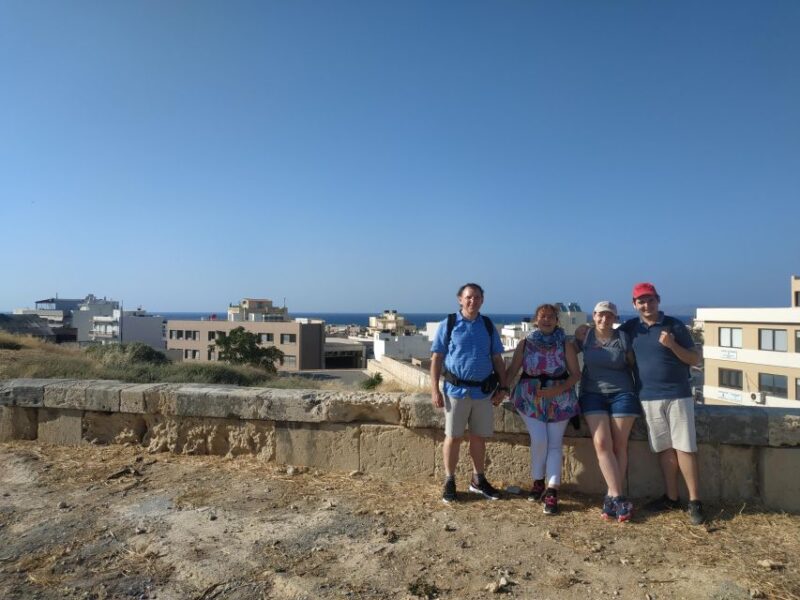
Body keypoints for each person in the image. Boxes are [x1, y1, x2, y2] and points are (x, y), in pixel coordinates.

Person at [619, 282, 705, 525]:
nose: (646, 305)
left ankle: (695, 501)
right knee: (664, 449)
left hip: (678, 394)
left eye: (650, 300)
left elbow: (693, 358)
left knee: (685, 448)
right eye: (641, 301)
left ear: (658, 300)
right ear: (634, 304)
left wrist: (672, 345)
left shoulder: (675, 325)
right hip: (647, 397)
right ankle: (671, 497)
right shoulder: (630, 329)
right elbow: (610, 341)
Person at [430, 283, 509, 503]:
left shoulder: (487, 325)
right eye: (468, 297)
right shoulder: (449, 323)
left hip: (482, 392)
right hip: (456, 391)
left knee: (478, 437)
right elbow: (436, 358)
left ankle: (478, 479)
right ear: (460, 299)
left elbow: (497, 359)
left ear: (482, 300)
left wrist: (503, 387)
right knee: (453, 437)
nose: (472, 301)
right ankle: (449, 480)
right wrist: (434, 389)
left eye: (477, 297)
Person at [506, 303, 580, 515]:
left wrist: (555, 391)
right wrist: (501, 388)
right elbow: (513, 370)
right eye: (542, 316)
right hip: (530, 398)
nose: (546, 319)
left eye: (551, 316)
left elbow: (575, 374)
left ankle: (551, 490)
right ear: (536, 320)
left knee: (555, 445)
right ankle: (538, 480)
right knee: (539, 440)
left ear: (557, 320)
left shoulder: (565, 345)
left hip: (560, 398)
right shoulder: (526, 343)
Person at [575, 301, 640, 523]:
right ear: (593, 315)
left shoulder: (622, 338)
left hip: (623, 394)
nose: (605, 319)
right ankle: (619, 496)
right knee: (602, 443)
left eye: (609, 316)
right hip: (592, 394)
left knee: (619, 445)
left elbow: (633, 364)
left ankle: (612, 497)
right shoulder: (585, 336)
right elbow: (561, 350)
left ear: (615, 317)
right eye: (601, 315)